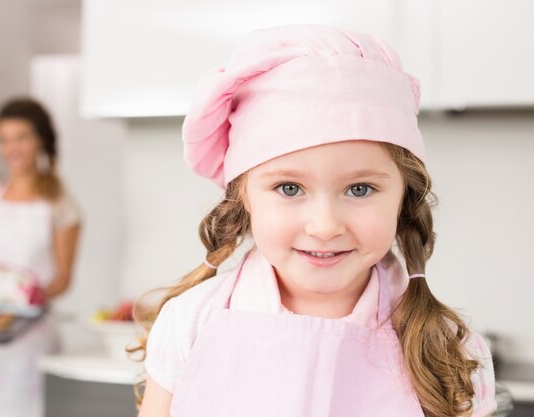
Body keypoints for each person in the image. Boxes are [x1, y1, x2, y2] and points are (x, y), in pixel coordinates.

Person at [133, 25, 497, 417]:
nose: (324, 226)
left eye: (359, 189)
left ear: (403, 198)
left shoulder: (450, 349)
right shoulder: (191, 322)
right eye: (290, 189)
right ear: (244, 198)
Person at [0, 97, 82, 417]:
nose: (12, 148)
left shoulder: (61, 203)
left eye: (21, 138)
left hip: (30, 336)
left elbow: (64, 278)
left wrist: (32, 295)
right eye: (4, 139)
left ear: (40, 139)